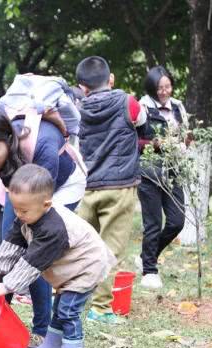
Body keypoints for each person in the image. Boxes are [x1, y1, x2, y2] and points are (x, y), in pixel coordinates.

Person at [0, 104, 87, 346]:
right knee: (5, 245)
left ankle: (43, 331)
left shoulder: (42, 144)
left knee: (36, 250)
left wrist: (4, 283)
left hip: (58, 185)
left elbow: (33, 241)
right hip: (20, 182)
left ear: (8, 139)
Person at [0, 164, 116, 348]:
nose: (18, 214)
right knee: (60, 306)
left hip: (86, 266)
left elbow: (31, 263)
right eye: (15, 208)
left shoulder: (52, 229)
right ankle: (52, 346)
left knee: (68, 311)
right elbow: (12, 245)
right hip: (70, 269)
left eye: (23, 210)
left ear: (46, 204)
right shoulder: (27, 217)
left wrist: (6, 285)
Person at [75, 56, 146, 323]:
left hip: (88, 187)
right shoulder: (128, 102)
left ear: (82, 87)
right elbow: (142, 123)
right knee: (108, 250)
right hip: (119, 187)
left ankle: (67, 297)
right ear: (111, 79)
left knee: (82, 247)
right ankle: (101, 309)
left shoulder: (78, 107)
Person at [134, 66, 189, 290]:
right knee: (153, 223)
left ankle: (147, 255)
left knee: (177, 221)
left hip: (173, 170)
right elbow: (134, 141)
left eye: (167, 86)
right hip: (149, 172)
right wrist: (154, 144)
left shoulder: (178, 107)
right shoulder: (142, 107)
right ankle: (149, 270)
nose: (165, 91)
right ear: (151, 89)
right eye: (160, 88)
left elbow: (185, 134)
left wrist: (185, 143)